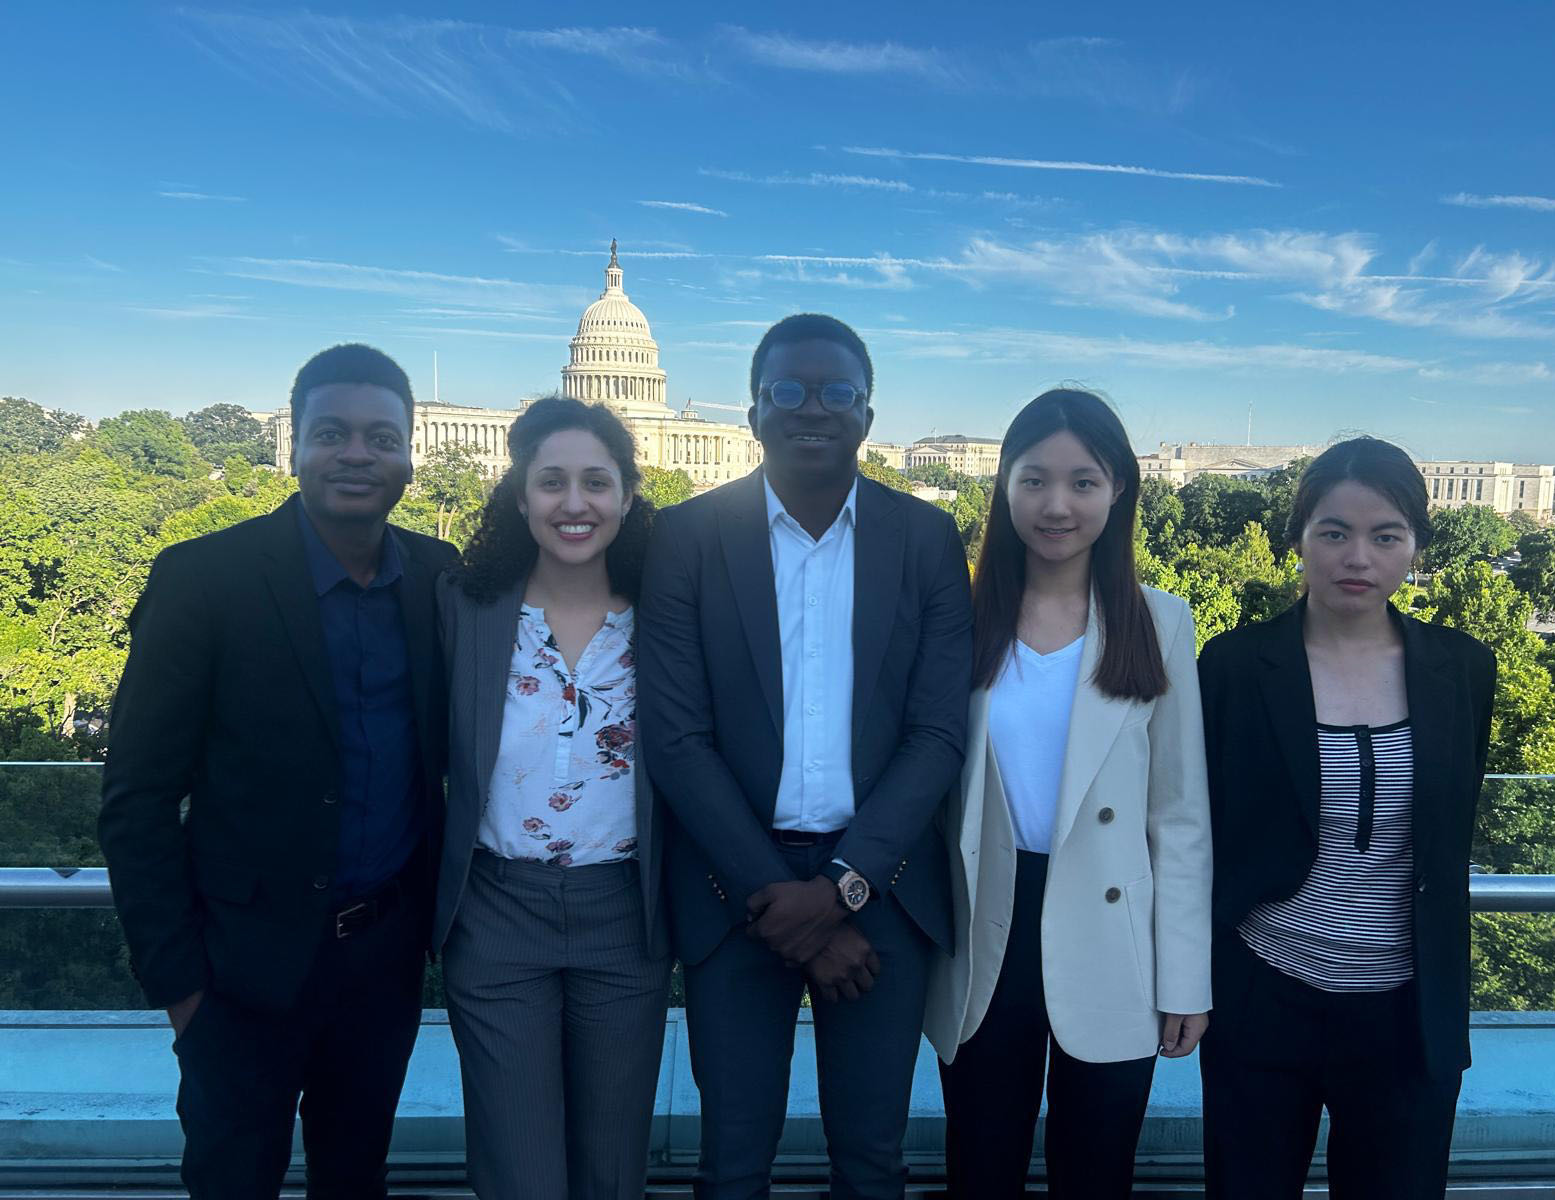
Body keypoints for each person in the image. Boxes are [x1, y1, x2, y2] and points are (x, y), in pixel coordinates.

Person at [98, 344, 458, 1199]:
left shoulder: (441, 581)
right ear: (291, 444)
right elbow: (137, 799)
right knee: (231, 1182)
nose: (357, 454)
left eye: (381, 436)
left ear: (412, 450)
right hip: (236, 972)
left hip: (382, 964)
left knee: (354, 1180)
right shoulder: (202, 580)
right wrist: (181, 988)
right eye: (331, 433)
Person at [638, 313, 973, 1199]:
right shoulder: (686, 538)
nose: (811, 408)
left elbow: (937, 735)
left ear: (868, 413)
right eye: (787, 390)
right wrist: (779, 903)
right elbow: (676, 740)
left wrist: (840, 892)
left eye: (837, 392)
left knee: (872, 1164)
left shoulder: (927, 540)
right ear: (753, 411)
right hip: (730, 891)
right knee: (732, 1166)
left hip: (885, 895)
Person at [924, 389, 1213, 1199]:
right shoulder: (957, 617)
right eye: (1034, 480)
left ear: (1119, 490)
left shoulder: (1160, 623)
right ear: (1004, 486)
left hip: (1114, 931)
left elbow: (1180, 815)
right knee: (981, 1167)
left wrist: (1185, 977)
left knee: (1097, 1173)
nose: (1057, 505)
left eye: (1084, 482)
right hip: (985, 924)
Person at [1198, 437, 1497, 1199]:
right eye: (1333, 532)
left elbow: (1446, 827)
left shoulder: (1463, 669)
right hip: (1262, 994)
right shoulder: (1234, 666)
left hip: (1408, 1012)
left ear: (1415, 548)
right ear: (1297, 540)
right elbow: (1198, 828)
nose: (1356, 556)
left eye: (1385, 535)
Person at [433, 396, 670, 1200]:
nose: (575, 504)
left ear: (629, 495)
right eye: (552, 482)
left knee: (612, 1171)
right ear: (521, 493)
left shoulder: (667, 618)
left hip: (626, 915)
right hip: (496, 913)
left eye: (597, 482)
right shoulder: (463, 609)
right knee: (519, 1172)